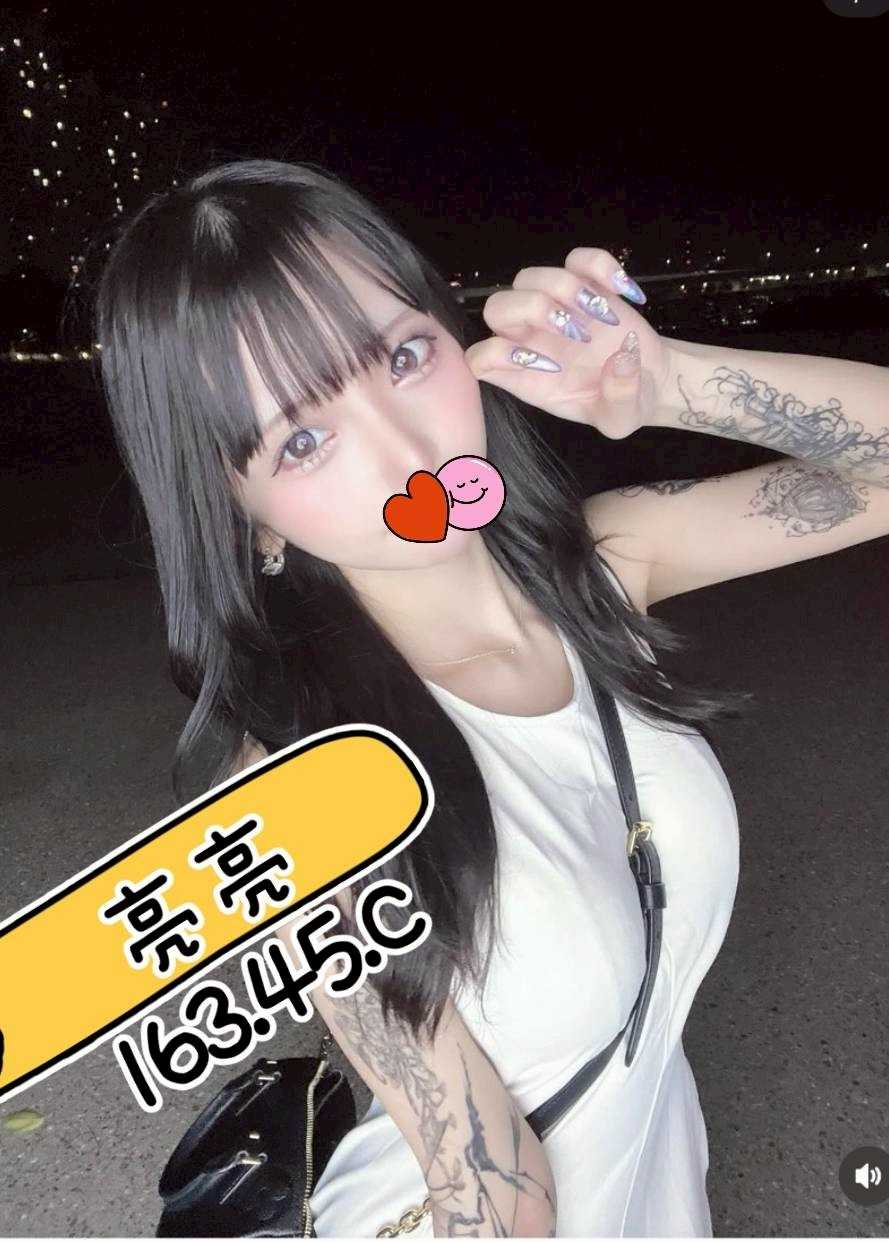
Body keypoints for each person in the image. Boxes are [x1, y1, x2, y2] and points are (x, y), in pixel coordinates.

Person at [92, 158, 754, 1236]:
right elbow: (488, 1192)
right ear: (247, 517)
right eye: (304, 439)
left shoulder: (606, 566)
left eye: (403, 356)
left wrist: (667, 381)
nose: (409, 453)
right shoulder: (297, 793)